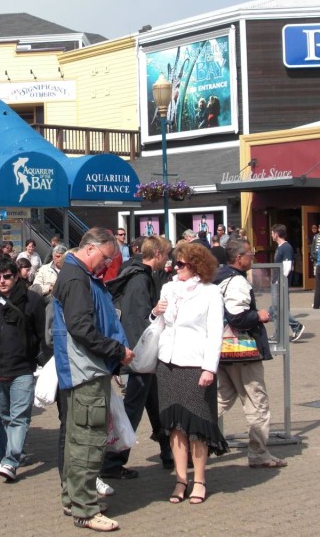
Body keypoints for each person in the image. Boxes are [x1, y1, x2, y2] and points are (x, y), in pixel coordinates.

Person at [53, 227, 133, 532]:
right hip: (86, 371)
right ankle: (84, 508)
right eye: (106, 258)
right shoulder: (76, 278)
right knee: (87, 440)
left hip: (83, 371)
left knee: (78, 439)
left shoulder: (77, 275)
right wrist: (117, 350)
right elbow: (81, 328)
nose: (107, 264)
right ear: (90, 249)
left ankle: (75, 499)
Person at [153, 241, 227, 505]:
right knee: (175, 425)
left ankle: (200, 480)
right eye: (175, 262)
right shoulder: (169, 288)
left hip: (195, 365)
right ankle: (180, 479)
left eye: (181, 264)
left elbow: (215, 332)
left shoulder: (210, 293)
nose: (175, 267)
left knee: (197, 424)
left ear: (196, 266)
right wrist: (155, 312)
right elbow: (160, 324)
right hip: (168, 363)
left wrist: (210, 367)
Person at [214, 238, 287, 469]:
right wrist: (259, 316)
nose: (253, 257)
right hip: (242, 352)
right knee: (257, 402)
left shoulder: (218, 277)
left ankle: (191, 434)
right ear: (239, 258)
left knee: (221, 397)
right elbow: (237, 317)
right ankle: (258, 453)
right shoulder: (237, 282)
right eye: (250, 254)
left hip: (222, 349)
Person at [102, 235, 170, 478]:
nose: (168, 259)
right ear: (159, 254)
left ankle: (168, 450)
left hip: (138, 353)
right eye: (167, 254)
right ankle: (112, 462)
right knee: (132, 408)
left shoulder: (135, 273)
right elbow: (137, 319)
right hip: (139, 354)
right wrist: (137, 354)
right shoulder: (140, 279)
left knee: (155, 402)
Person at [0, 255, 46, 482]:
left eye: (6, 276)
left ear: (15, 276)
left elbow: (43, 334)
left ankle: (10, 460)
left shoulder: (32, 301)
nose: (2, 281)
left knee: (20, 417)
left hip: (23, 369)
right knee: (6, 416)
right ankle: (16, 453)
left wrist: (45, 362)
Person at [270, 224, 304, 342]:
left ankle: (296, 325)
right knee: (275, 309)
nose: (271, 235)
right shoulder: (279, 247)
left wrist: (280, 280)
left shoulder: (286, 247)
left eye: (272, 232)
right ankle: (278, 334)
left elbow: (288, 266)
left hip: (280, 282)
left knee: (278, 308)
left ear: (276, 233)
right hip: (276, 280)